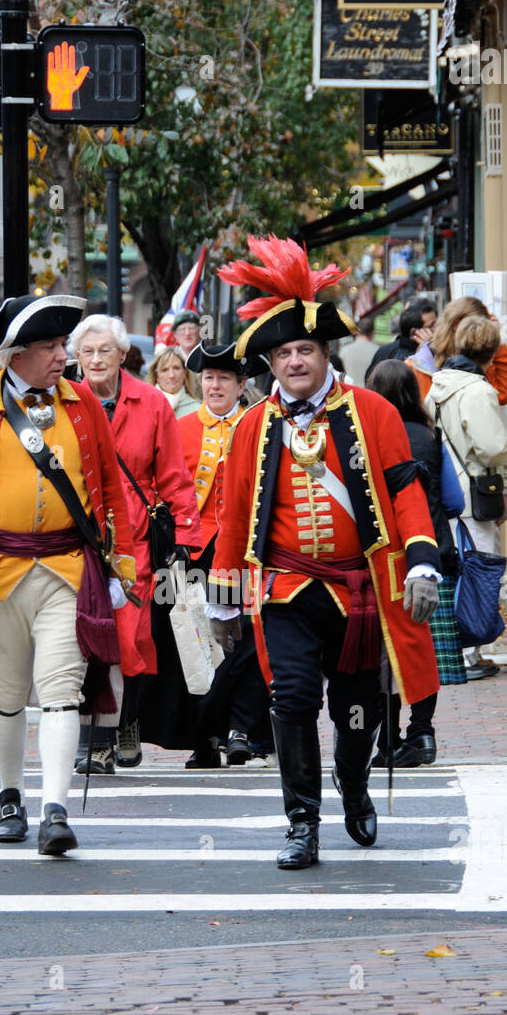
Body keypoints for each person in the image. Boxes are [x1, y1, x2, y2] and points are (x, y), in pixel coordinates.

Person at [211, 235, 441, 869]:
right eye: (282, 353)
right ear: (271, 363)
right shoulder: (253, 426)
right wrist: (225, 599)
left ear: (323, 353)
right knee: (291, 700)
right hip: (284, 589)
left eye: (304, 349)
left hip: (359, 590)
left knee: (358, 706)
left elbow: (405, 493)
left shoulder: (372, 412)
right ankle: (301, 821)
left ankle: (356, 783)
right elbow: (234, 516)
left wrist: (422, 559)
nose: (293, 362)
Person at [0, 294, 136, 854]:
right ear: (14, 355)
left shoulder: (83, 405)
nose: (62, 355)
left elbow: (109, 490)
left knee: (63, 690)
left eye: (62, 345)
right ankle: (10, 795)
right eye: (49, 346)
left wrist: (121, 563)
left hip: (68, 570)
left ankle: (55, 810)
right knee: (9, 692)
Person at [69, 313, 201, 773]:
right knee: (85, 633)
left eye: (105, 350)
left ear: (124, 354)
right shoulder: (65, 401)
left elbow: (174, 477)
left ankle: (127, 721)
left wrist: (186, 533)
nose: (96, 359)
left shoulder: (152, 403)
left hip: (135, 537)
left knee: (129, 635)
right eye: (86, 351)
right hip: (79, 534)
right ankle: (97, 738)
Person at [142, 341, 273, 767]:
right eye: (209, 378)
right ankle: (204, 735)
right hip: (191, 552)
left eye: (225, 379)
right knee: (193, 643)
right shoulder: (180, 428)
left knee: (240, 640)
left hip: (241, 551)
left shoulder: (258, 426)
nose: (215, 386)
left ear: (241, 385)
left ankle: (239, 727)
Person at [366, 359, 467, 765]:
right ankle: (422, 734)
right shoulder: (431, 435)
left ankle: (387, 740)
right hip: (432, 554)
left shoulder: (367, 437)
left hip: (383, 558)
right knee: (424, 649)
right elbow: (455, 501)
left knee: (384, 652)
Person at [424, 315, 507, 680]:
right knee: (477, 571)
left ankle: (462, 648)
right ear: (492, 352)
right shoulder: (477, 390)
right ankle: (468, 651)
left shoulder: (439, 384)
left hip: (449, 490)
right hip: (477, 492)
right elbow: (492, 447)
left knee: (458, 570)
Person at [409, 295, 507, 406]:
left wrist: (495, 341)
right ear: (456, 324)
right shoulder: (420, 366)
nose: (479, 333)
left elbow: (505, 391)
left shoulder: (473, 356)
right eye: (474, 327)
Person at [368, 296, 437, 370]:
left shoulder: (384, 350)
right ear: (414, 332)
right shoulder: (388, 353)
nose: (436, 329)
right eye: (431, 326)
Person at [147, 345, 200, 420]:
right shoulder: (145, 407)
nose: (171, 375)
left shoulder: (198, 410)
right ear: (156, 376)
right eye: (164, 370)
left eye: (176, 368)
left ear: (185, 373)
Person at [340, 318, 376, 387]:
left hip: (349, 392)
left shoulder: (344, 351)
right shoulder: (378, 350)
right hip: (368, 393)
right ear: (372, 332)